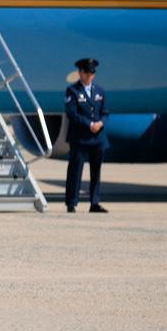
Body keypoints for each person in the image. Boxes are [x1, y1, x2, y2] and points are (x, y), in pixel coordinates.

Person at [64, 57, 109, 214]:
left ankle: (94, 202)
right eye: (87, 72)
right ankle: (72, 202)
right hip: (80, 137)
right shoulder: (72, 91)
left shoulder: (100, 92)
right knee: (75, 171)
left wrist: (100, 123)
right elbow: (71, 113)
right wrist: (90, 124)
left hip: (97, 138)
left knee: (96, 171)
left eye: (92, 73)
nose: (90, 75)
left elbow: (105, 112)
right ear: (80, 73)